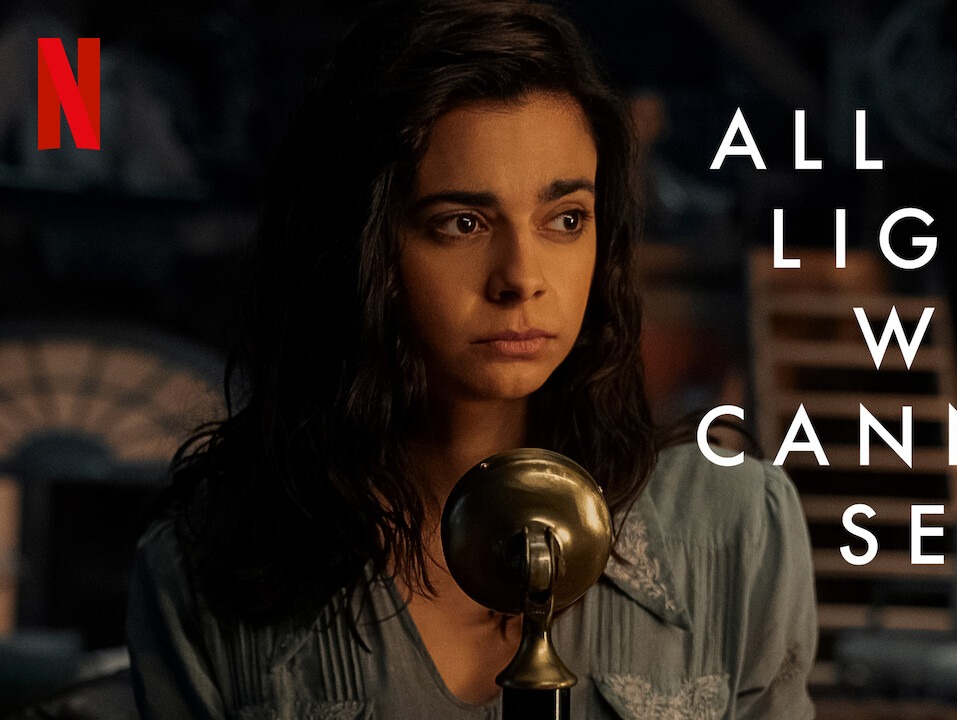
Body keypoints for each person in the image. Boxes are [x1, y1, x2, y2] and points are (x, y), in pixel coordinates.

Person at [125, 1, 817, 718]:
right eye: (462, 223)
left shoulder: (732, 531)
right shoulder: (210, 562)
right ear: (360, 248)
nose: (521, 276)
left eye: (565, 219)